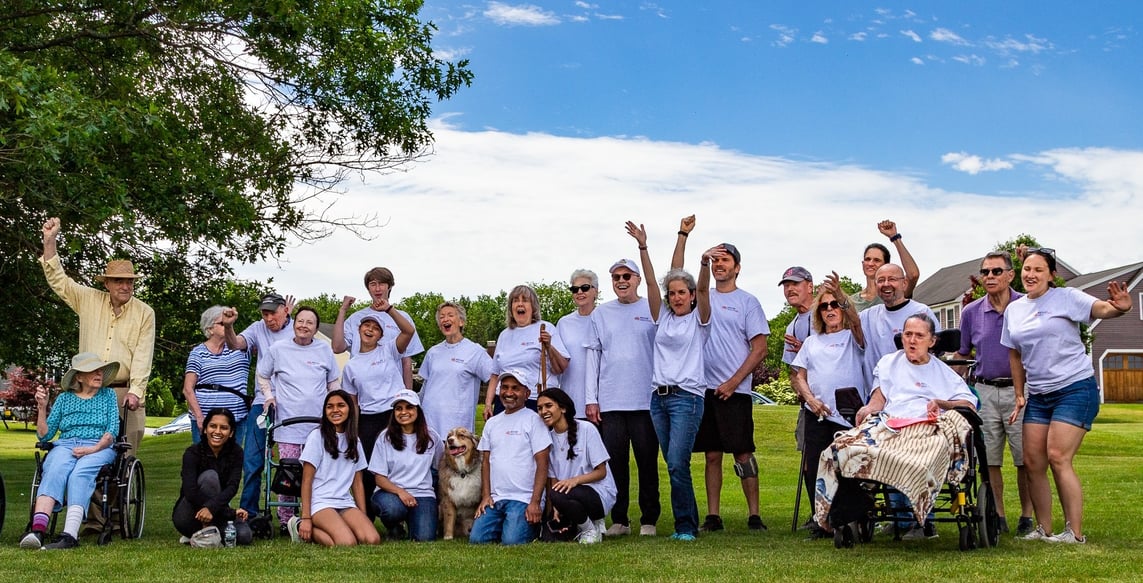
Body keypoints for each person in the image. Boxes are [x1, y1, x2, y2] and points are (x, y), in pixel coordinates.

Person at [1002, 247, 1133, 544]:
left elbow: (1102, 309)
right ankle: (1043, 529)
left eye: (1038, 270)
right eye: (1027, 269)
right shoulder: (1015, 309)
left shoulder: (1067, 297)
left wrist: (1121, 308)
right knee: (1033, 463)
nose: (1031, 274)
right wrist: (1020, 394)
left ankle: (1074, 533)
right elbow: (1014, 353)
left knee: (1058, 457)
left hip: (1074, 388)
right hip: (1039, 394)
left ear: (1051, 275)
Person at [670, 216, 769, 532]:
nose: (719, 265)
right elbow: (677, 275)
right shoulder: (701, 297)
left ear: (737, 266)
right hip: (704, 389)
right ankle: (713, 516)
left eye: (725, 259)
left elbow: (760, 349)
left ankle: (754, 514)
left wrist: (734, 381)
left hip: (735, 391)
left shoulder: (748, 302)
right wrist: (685, 237)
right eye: (715, 260)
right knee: (711, 455)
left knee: (743, 453)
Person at [853, 314, 977, 539]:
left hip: (926, 430)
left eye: (919, 336)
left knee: (919, 456)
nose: (912, 340)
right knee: (858, 447)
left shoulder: (943, 372)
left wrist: (942, 403)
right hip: (893, 426)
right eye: (907, 334)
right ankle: (886, 513)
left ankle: (922, 520)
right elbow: (879, 397)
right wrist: (868, 408)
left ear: (932, 341)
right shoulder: (889, 363)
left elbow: (968, 404)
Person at [40, 217, 154, 454]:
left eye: (129, 282)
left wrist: (136, 391)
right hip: (88, 391)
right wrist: (50, 241)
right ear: (107, 284)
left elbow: (143, 356)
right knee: (86, 451)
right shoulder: (88, 299)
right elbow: (59, 281)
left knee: (126, 454)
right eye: (119, 281)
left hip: (124, 391)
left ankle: (119, 491)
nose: (125, 286)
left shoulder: (145, 313)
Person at [630, 220, 713, 541]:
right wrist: (642, 246)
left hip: (687, 399)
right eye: (673, 293)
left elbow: (704, 288)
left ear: (691, 296)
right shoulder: (662, 316)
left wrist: (703, 264)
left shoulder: (700, 320)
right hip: (658, 399)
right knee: (674, 465)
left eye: (683, 293)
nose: (677, 298)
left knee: (678, 463)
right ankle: (686, 523)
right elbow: (651, 283)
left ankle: (686, 527)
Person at [953, 251, 1033, 536]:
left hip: (1020, 392)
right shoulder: (971, 312)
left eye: (996, 271)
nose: (989, 277)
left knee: (1026, 459)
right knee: (991, 459)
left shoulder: (1027, 306)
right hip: (986, 391)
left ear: (1011, 275)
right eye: (985, 272)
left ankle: (1027, 515)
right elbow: (963, 354)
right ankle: (998, 514)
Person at [584, 257, 661, 537]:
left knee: (647, 462)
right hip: (611, 402)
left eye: (627, 276)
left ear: (638, 279)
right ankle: (620, 520)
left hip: (645, 401)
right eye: (616, 277)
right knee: (615, 464)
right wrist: (591, 399)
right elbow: (593, 357)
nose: (621, 281)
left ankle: (649, 519)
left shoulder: (652, 308)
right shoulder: (601, 314)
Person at [789, 272, 867, 539]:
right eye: (824, 306)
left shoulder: (852, 337)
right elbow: (797, 374)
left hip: (848, 414)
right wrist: (810, 398)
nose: (830, 310)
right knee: (815, 465)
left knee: (845, 467)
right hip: (817, 413)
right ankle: (821, 520)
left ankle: (846, 518)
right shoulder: (811, 342)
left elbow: (856, 322)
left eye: (834, 305)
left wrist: (842, 296)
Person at [20, 353, 120, 550]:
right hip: (66, 445)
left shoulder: (108, 396)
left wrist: (92, 449)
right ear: (79, 377)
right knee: (55, 469)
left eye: (100, 370)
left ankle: (70, 536)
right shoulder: (64, 399)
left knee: (79, 474)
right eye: (93, 370)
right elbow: (44, 435)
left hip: (99, 446)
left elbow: (112, 431)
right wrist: (42, 408)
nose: (99, 373)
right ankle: (38, 530)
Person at [256, 306, 340, 527]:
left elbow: (333, 382)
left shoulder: (324, 350)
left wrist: (333, 404)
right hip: (288, 424)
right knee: (289, 474)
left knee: (318, 473)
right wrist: (269, 396)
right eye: (300, 321)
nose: (304, 326)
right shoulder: (278, 349)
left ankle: (316, 516)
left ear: (315, 328)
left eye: (309, 323)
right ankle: (286, 520)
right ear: (294, 324)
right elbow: (262, 375)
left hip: (318, 426)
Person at [220, 292, 295, 517]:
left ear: (285, 310)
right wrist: (228, 327)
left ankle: (294, 514)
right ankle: (248, 512)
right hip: (262, 402)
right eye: (265, 313)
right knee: (252, 459)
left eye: (273, 313)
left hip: (293, 402)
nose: (269, 318)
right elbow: (235, 344)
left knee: (292, 461)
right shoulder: (257, 328)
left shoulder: (297, 329)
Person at [340, 306, 415, 513]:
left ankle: (397, 515)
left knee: (397, 465)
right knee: (366, 469)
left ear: (381, 335)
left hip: (394, 415)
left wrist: (389, 310)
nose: (370, 330)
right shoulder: (351, 366)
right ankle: (367, 515)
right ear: (359, 329)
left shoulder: (389, 350)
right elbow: (353, 403)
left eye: (375, 328)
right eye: (366, 325)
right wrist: (352, 432)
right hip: (368, 419)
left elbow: (408, 331)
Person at [470, 369, 552, 545]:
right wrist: (486, 496)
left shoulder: (534, 420)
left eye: (515, 388)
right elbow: (486, 463)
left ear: (527, 393)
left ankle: (531, 526)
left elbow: (543, 463)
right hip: (496, 499)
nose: (509, 393)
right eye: (504, 387)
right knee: (477, 539)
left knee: (512, 541)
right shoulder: (492, 423)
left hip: (523, 499)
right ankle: (507, 524)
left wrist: (535, 502)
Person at [290, 390, 381, 547]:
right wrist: (306, 517)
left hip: (344, 501)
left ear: (350, 409)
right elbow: (306, 480)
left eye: (341, 405)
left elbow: (357, 483)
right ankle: (299, 526)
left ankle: (332, 529)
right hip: (320, 502)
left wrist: (363, 515)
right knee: (347, 543)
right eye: (330, 407)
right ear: (325, 411)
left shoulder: (354, 440)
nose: (335, 410)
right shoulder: (317, 437)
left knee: (372, 540)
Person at [537, 388, 617, 544]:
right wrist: (556, 507)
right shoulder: (548, 439)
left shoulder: (587, 429)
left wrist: (575, 481)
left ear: (563, 408)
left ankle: (590, 529)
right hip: (566, 495)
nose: (543, 411)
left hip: (597, 492)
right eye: (540, 408)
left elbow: (601, 472)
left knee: (560, 493)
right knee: (549, 537)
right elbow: (553, 481)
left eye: (548, 406)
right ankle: (583, 523)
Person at [484, 285, 570, 418]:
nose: (520, 304)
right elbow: (495, 374)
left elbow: (561, 368)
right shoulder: (504, 335)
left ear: (533, 306)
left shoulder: (546, 328)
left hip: (535, 400)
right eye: (515, 300)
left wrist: (549, 346)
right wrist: (489, 404)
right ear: (511, 307)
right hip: (505, 401)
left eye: (525, 300)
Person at [332, 267, 424, 390]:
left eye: (381, 284)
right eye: (373, 284)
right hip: (360, 390)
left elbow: (406, 361)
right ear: (368, 288)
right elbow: (337, 348)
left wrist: (408, 396)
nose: (377, 289)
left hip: (391, 393)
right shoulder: (356, 318)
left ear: (390, 286)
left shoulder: (402, 318)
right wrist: (342, 310)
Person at [369, 390, 442, 542]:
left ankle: (415, 518)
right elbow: (379, 478)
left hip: (423, 493)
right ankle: (394, 526)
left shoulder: (432, 437)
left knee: (424, 538)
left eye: (409, 407)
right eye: (398, 408)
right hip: (390, 492)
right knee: (393, 509)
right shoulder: (385, 437)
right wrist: (401, 492)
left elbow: (439, 467)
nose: (404, 412)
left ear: (418, 410)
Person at [172, 408, 253, 545]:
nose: (217, 431)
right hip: (189, 513)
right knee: (210, 477)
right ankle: (200, 532)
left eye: (224, 428)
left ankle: (204, 534)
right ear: (205, 429)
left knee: (244, 535)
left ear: (231, 432)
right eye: (213, 426)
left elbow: (232, 488)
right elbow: (190, 492)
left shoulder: (236, 453)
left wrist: (214, 509)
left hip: (217, 514)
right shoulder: (192, 453)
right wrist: (230, 512)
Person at [419, 301, 495, 434]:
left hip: (458, 428)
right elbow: (425, 387)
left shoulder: (475, 351)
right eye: (441, 317)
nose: (445, 319)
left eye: (450, 315)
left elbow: (494, 376)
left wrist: (488, 404)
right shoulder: (432, 352)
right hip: (429, 425)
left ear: (461, 322)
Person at [183, 306, 250, 445]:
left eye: (229, 323)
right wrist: (200, 418)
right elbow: (188, 389)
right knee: (205, 463)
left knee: (232, 463)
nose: (227, 325)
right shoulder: (198, 353)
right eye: (222, 323)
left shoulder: (240, 347)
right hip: (206, 421)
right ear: (209, 329)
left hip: (236, 419)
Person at [859, 263, 939, 378]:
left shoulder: (921, 312)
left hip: (914, 389)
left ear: (904, 283)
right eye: (881, 280)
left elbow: (935, 352)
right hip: (878, 391)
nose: (886, 284)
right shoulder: (868, 316)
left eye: (892, 279)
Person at [850, 219, 921, 312]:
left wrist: (894, 237)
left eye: (876, 260)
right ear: (863, 263)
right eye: (867, 259)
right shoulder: (852, 301)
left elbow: (913, 275)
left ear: (886, 265)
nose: (871, 263)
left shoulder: (894, 292)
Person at [556, 269, 599, 418]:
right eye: (574, 289)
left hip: (600, 402)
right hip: (571, 398)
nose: (579, 292)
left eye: (585, 288)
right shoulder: (563, 323)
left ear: (596, 291)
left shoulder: (604, 318)